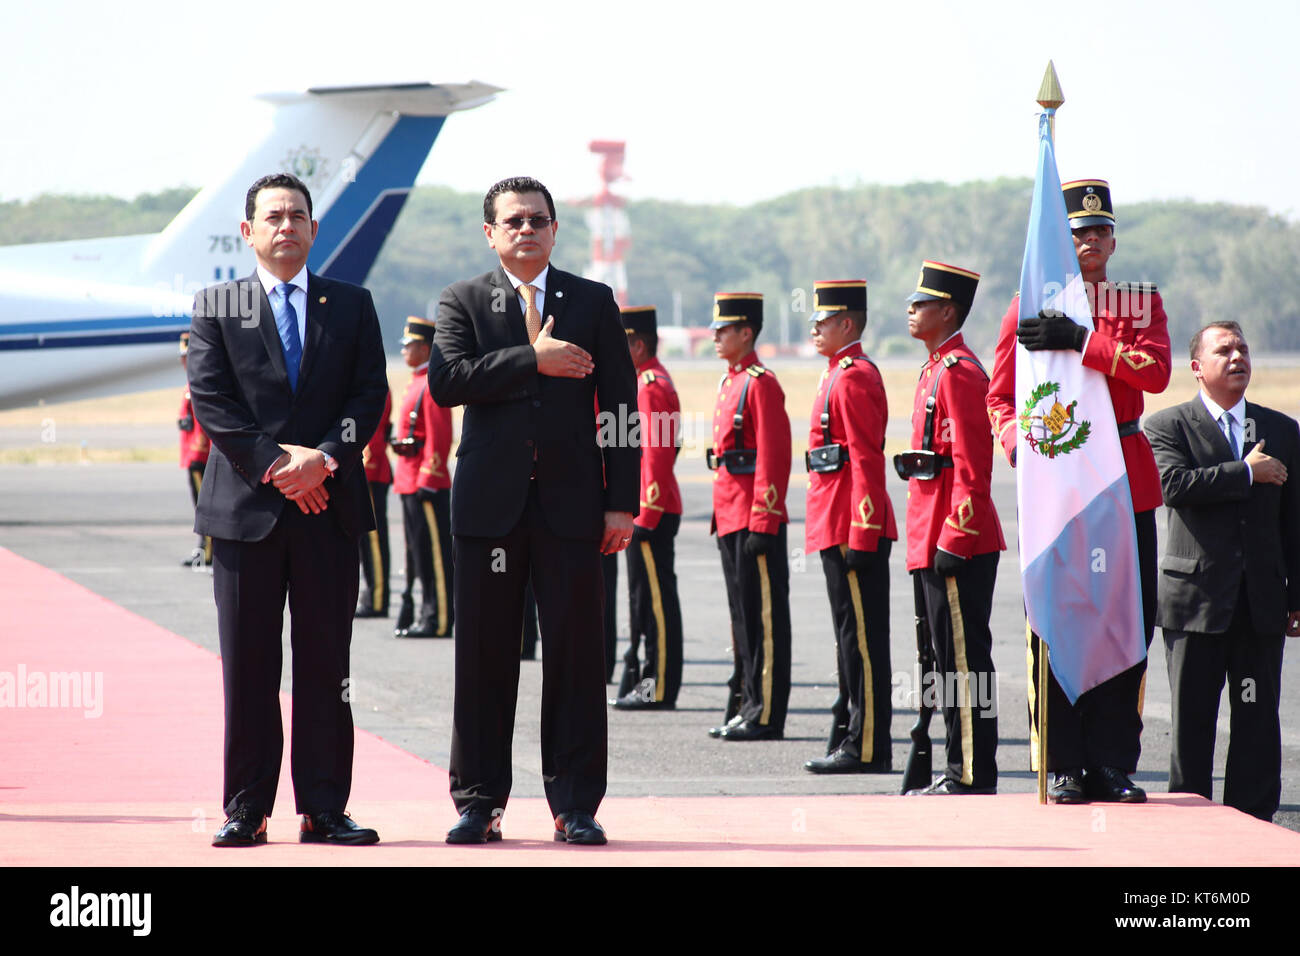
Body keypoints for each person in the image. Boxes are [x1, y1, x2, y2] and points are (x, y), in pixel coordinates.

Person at [428, 176, 638, 846]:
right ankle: (479, 800)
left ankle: (574, 803)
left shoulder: (594, 301)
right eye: (512, 221)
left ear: (555, 230)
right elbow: (446, 382)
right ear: (489, 233)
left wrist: (622, 504)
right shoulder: (462, 300)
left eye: (538, 220)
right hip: (489, 510)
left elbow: (623, 411)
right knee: (485, 656)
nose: (527, 230)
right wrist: (532, 360)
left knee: (576, 657)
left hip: (573, 511)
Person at [187, 172, 387, 846]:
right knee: (248, 666)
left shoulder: (352, 306)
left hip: (328, 510)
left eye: (298, 216)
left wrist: (325, 458)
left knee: (328, 667)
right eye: (272, 216)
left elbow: (369, 400)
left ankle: (325, 808)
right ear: (248, 231)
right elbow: (214, 405)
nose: (286, 227)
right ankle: (247, 808)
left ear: (314, 229)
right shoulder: (219, 305)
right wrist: (281, 467)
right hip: (246, 514)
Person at [987, 179, 1171, 804]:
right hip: (1061, 488)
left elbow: (1156, 370)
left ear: (1114, 241)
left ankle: (1112, 762)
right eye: (1078, 233)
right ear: (1058, 241)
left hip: (1123, 479)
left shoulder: (1139, 301)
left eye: (1100, 231)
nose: (1090, 241)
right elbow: (999, 399)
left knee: (1129, 622)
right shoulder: (1026, 306)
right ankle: (1062, 762)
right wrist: (1023, 450)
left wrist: (1085, 343)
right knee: (1057, 620)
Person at [1145, 322, 1300, 822]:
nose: (1237, 358)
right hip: (1195, 605)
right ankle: (1189, 823)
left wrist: (1295, 595)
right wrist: (1246, 473)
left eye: (1243, 350)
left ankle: (1252, 821)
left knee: (1256, 721)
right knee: (1192, 724)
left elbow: (1293, 522)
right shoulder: (1167, 426)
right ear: (1197, 367)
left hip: (1259, 606)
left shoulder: (1281, 429)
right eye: (1224, 350)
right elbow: (1173, 486)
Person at [898, 261, 1004, 795]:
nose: (910, 311)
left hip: (956, 540)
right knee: (943, 660)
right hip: (931, 535)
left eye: (920, 304)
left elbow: (971, 466)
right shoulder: (934, 368)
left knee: (964, 661)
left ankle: (971, 773)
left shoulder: (961, 372)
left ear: (948, 311)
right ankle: (956, 765)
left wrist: (954, 540)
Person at [801, 280, 896, 773]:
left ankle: (868, 746)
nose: (814, 328)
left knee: (861, 639)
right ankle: (851, 730)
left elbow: (865, 458)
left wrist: (864, 529)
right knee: (848, 636)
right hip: (833, 520)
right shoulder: (835, 372)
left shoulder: (854, 375)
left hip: (851, 523)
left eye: (824, 321)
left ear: (847, 324)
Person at [706, 292, 792, 742]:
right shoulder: (731, 381)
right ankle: (745, 703)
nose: (716, 337)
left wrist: (764, 517)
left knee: (764, 620)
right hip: (730, 513)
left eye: (724, 330)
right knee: (742, 617)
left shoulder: (760, 382)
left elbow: (773, 457)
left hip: (753, 515)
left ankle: (765, 712)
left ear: (745, 332)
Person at [611, 305, 684, 710]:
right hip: (647, 506)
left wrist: (646, 511)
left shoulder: (649, 385)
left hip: (651, 508)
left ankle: (656, 686)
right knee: (644, 600)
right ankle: (645, 681)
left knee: (655, 602)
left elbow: (657, 453)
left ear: (637, 345)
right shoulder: (646, 380)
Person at [390, 316, 454, 638]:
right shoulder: (416, 382)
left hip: (425, 482)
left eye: (410, 346)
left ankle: (438, 618)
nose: (405, 351)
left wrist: (430, 476)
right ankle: (427, 614)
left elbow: (440, 436)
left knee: (435, 557)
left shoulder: (431, 384)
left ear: (425, 348)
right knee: (417, 553)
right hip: (409, 479)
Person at [354, 385, 393, 618]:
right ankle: (372, 594)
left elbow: (375, 433)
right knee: (366, 542)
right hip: (366, 469)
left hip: (371, 471)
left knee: (374, 540)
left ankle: (377, 598)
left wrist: (366, 464)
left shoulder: (375, 386)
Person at [177, 331, 212, 568]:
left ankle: (207, 552)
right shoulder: (192, 380)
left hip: (200, 453)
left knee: (205, 506)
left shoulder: (202, 380)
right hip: (192, 452)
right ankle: (205, 550)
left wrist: (198, 452)